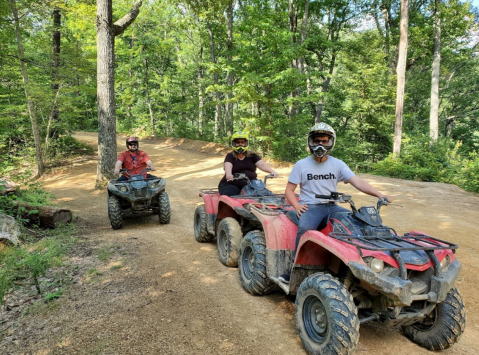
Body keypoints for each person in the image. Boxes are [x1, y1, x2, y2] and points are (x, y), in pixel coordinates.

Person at [279, 123, 392, 283]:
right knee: (305, 228)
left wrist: (379, 194)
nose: (320, 145)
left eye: (324, 141)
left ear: (331, 142)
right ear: (310, 142)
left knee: (355, 223)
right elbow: (289, 191)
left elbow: (357, 182)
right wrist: (297, 206)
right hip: (311, 206)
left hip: (332, 206)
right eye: (317, 140)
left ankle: (362, 266)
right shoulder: (301, 165)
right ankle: (293, 270)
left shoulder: (337, 164)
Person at [218, 131, 279, 196]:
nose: (240, 144)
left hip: (251, 184)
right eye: (238, 142)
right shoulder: (230, 156)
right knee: (230, 194)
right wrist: (229, 174)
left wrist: (272, 172)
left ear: (246, 143)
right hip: (232, 184)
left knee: (264, 194)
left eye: (242, 142)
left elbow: (262, 164)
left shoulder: (252, 155)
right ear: (234, 143)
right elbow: (228, 165)